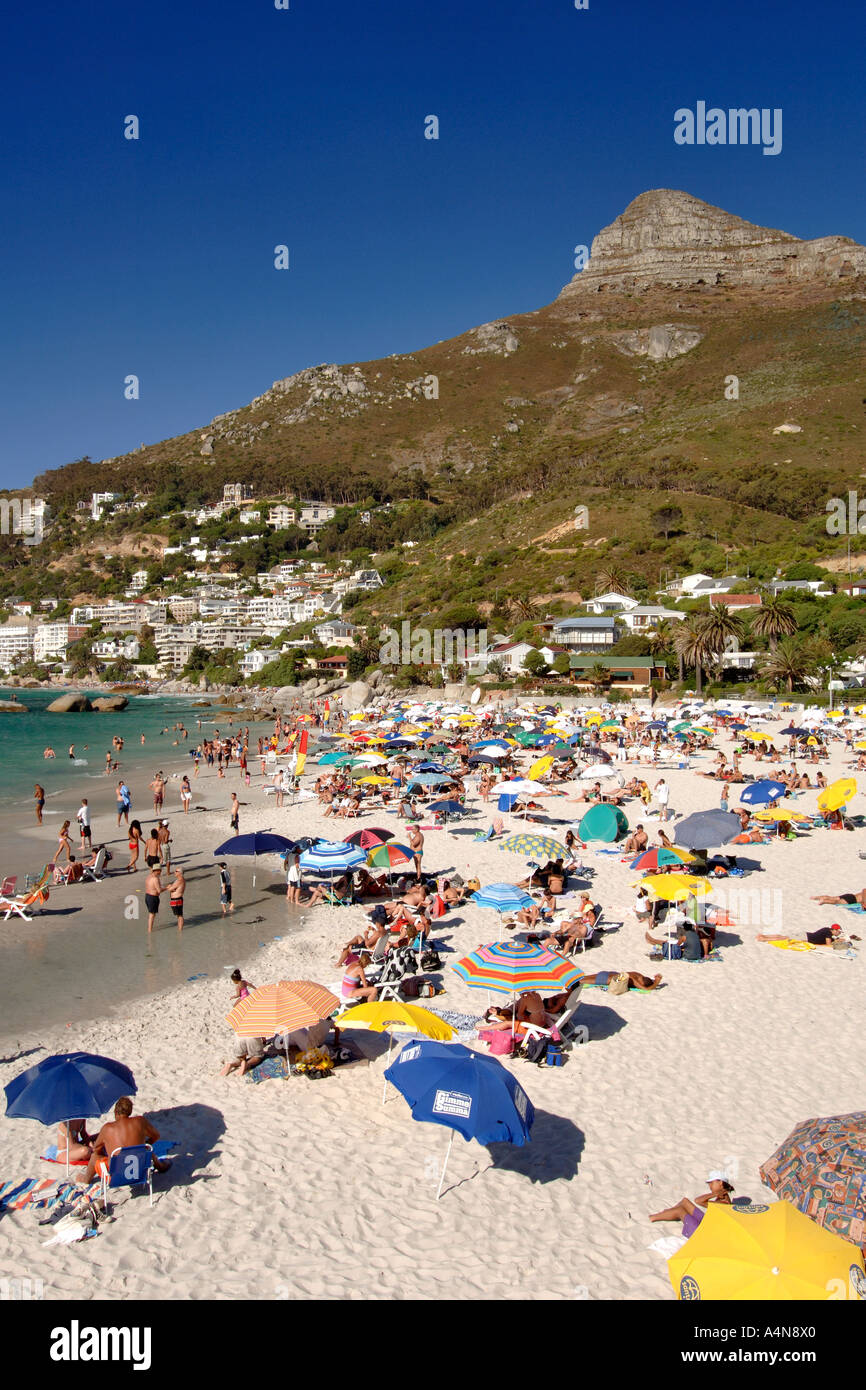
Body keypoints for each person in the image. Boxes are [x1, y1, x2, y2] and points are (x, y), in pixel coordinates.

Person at [78, 1097, 170, 1183]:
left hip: (116, 1174)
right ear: (129, 1112)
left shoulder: (107, 1128)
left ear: (115, 1112)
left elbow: (95, 1150)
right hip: (139, 1170)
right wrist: (145, 1143)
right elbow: (156, 1136)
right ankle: (161, 1167)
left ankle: (86, 1179)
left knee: (94, 1157)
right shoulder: (140, 1121)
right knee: (146, 1150)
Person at [649, 1171, 734, 1235]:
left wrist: (714, 1194)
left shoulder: (724, 1203)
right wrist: (715, 1194)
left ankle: (653, 1217)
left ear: (720, 1182)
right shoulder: (723, 1196)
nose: (710, 1186)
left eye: (712, 1183)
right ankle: (667, 1213)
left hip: (703, 1233)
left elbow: (698, 1201)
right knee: (685, 1201)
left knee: (680, 1210)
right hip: (706, 1223)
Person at [757, 923, 851, 948]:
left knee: (783, 937)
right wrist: (840, 942)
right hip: (805, 937)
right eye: (838, 931)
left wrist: (839, 940)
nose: (838, 933)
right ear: (834, 930)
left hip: (805, 935)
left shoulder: (827, 931)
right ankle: (763, 938)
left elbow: (829, 941)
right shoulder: (828, 933)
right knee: (784, 938)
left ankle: (764, 936)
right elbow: (828, 944)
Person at [145, 864, 163, 933]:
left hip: (147, 896)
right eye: (160, 871)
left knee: (151, 914)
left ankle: (150, 929)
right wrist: (167, 888)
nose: (160, 872)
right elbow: (159, 890)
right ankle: (150, 931)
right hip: (153, 898)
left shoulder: (148, 876)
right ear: (157, 870)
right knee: (152, 915)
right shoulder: (155, 878)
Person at [168, 865, 186, 932]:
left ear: (180, 873)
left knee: (180, 916)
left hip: (177, 899)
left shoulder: (180, 880)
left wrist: (170, 887)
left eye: (176, 871)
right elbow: (172, 888)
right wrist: (171, 887)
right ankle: (180, 930)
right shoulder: (178, 880)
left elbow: (171, 888)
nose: (174, 872)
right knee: (178, 916)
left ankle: (180, 931)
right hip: (175, 900)